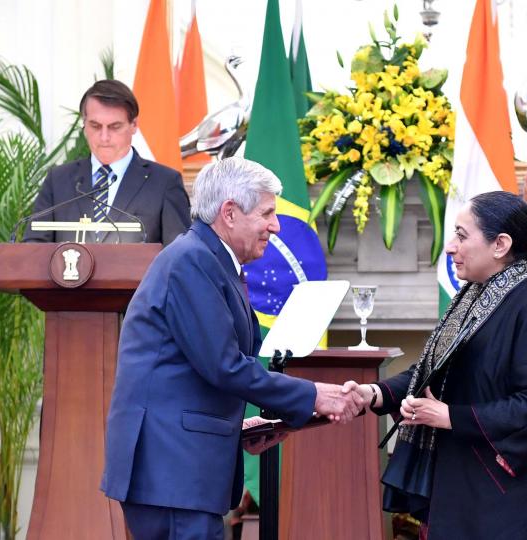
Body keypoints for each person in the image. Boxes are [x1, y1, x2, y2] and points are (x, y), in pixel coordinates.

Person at [101, 157, 364, 539]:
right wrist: (313, 395)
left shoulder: (210, 260)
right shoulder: (192, 261)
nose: (276, 225)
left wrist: (248, 426)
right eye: (267, 213)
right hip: (172, 471)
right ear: (229, 213)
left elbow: (195, 370)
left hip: (180, 470)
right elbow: (224, 365)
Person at [348, 192, 527, 539]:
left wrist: (450, 416)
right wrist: (374, 393)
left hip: (521, 494)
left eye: (462, 236)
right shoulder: (478, 296)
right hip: (476, 482)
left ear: (500, 245)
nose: (450, 247)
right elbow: (437, 370)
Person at [23, 79, 190, 245]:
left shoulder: (164, 183)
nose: (104, 137)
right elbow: (34, 248)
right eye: (95, 126)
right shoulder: (58, 180)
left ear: (134, 125)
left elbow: (179, 254)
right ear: (84, 125)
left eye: (115, 127)